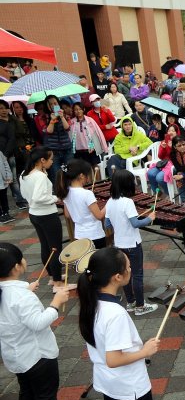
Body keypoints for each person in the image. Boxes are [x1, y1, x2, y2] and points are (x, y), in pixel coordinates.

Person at [76, 247, 165, 400]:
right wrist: (145, 351)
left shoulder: (91, 301)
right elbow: (114, 359)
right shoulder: (115, 314)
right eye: (128, 267)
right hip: (129, 383)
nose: (130, 269)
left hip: (107, 381)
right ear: (117, 277)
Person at [0, 243, 85, 400]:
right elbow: (38, 323)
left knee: (27, 391)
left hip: (15, 355)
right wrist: (56, 303)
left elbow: (12, 308)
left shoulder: (12, 293)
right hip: (37, 356)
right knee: (45, 396)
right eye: (21, 258)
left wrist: (26, 290)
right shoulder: (21, 296)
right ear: (16, 267)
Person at [104, 170, 158, 315]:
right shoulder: (128, 202)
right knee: (137, 275)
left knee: (124, 273)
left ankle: (131, 302)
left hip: (119, 245)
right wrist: (150, 218)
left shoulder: (110, 201)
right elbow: (135, 223)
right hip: (132, 245)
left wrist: (120, 222)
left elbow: (107, 224)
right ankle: (140, 307)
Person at [19, 149, 66, 288]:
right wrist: (55, 198)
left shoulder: (24, 173)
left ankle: (53, 276)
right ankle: (57, 282)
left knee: (46, 246)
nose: (52, 161)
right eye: (50, 159)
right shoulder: (39, 176)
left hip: (34, 214)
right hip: (47, 215)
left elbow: (25, 195)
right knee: (55, 248)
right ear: (42, 160)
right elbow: (38, 197)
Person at [56, 160, 107, 250]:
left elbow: (67, 215)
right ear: (82, 176)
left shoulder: (66, 192)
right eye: (88, 175)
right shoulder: (87, 194)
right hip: (94, 235)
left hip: (79, 236)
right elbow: (99, 216)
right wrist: (109, 204)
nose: (89, 177)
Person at [36, 95, 72, 182]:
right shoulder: (42, 117)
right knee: (56, 175)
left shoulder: (64, 115)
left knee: (69, 173)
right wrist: (52, 121)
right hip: (53, 152)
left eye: (55, 103)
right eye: (50, 104)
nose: (53, 105)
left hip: (66, 149)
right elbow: (48, 131)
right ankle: (59, 190)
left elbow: (67, 128)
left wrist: (62, 117)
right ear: (47, 106)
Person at [70, 103, 108, 167]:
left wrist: (94, 146)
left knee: (95, 166)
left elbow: (96, 134)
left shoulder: (89, 120)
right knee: (82, 168)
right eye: (76, 109)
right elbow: (70, 136)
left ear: (83, 109)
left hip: (90, 148)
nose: (78, 111)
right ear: (73, 111)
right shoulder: (72, 122)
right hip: (78, 151)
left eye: (80, 109)